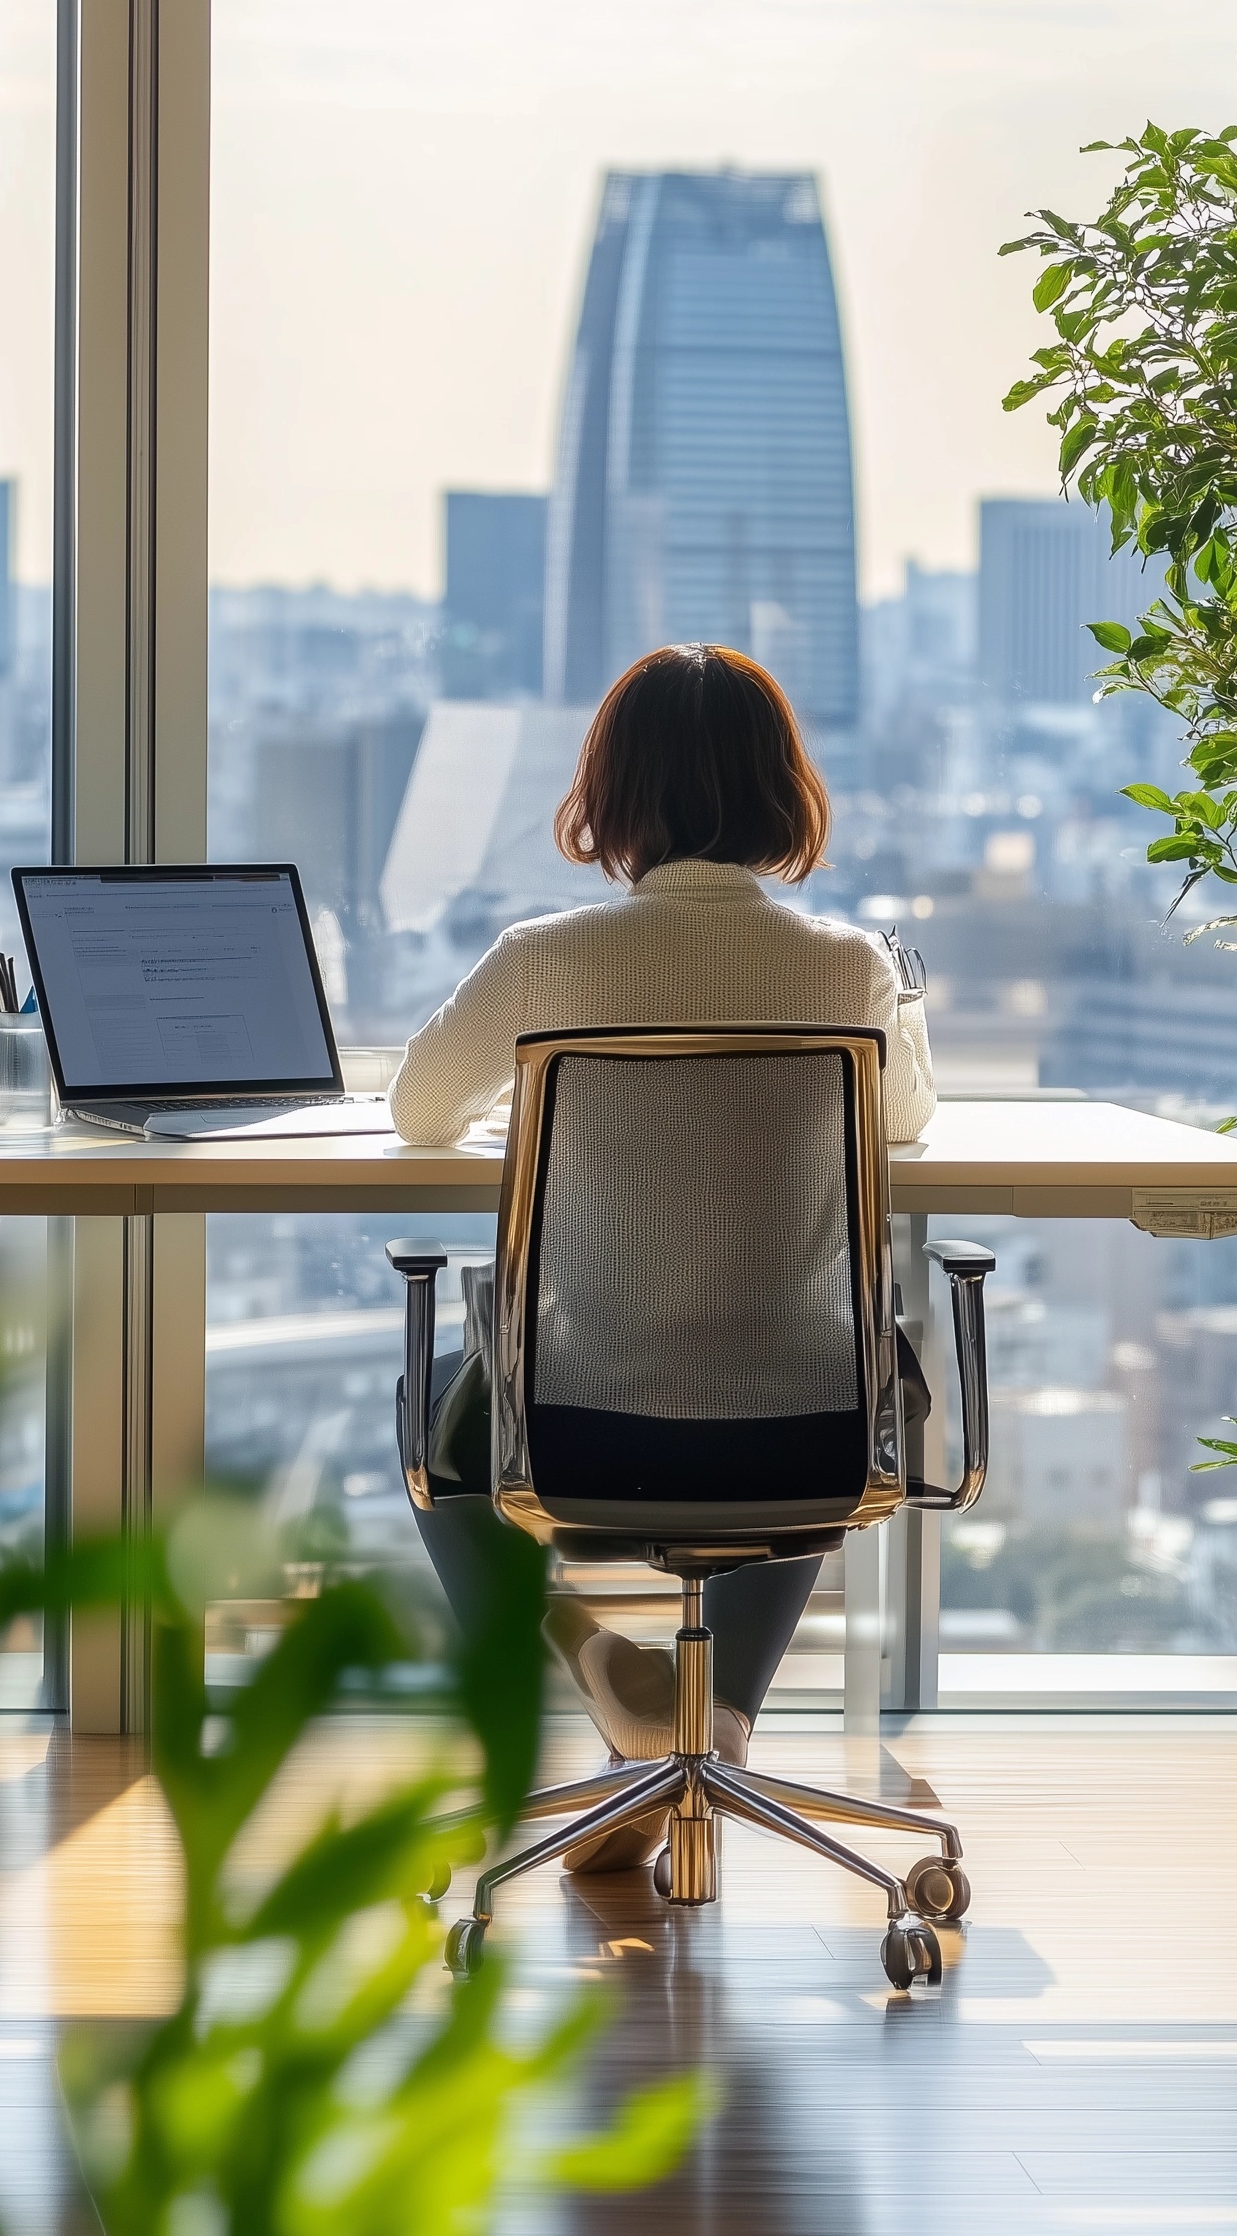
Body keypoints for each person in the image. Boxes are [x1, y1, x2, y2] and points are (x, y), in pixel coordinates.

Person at [391, 642, 936, 1863]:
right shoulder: (846, 964)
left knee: (441, 1427)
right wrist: (902, 996)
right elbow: (903, 1119)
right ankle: (716, 1723)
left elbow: (420, 1109)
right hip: (807, 1423)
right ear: (781, 794)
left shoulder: (546, 957)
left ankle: (617, 1680)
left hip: (576, 1418)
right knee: (833, 1365)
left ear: (610, 793)